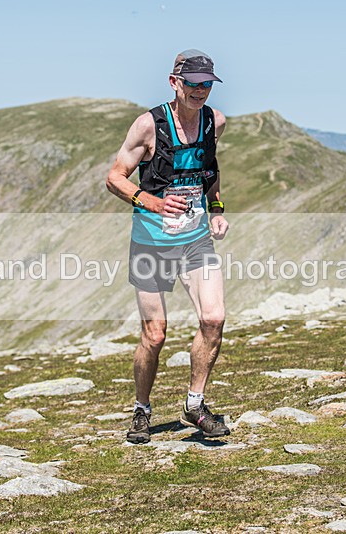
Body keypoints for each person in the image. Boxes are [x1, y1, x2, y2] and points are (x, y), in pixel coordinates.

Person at [106, 49, 230, 444]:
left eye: (206, 84)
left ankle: (195, 405)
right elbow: (115, 177)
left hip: (195, 239)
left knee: (213, 319)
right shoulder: (148, 126)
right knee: (155, 335)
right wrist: (153, 203)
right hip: (151, 243)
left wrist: (216, 209)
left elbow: (210, 170)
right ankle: (142, 409)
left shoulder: (214, 122)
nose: (200, 90)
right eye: (192, 83)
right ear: (175, 82)